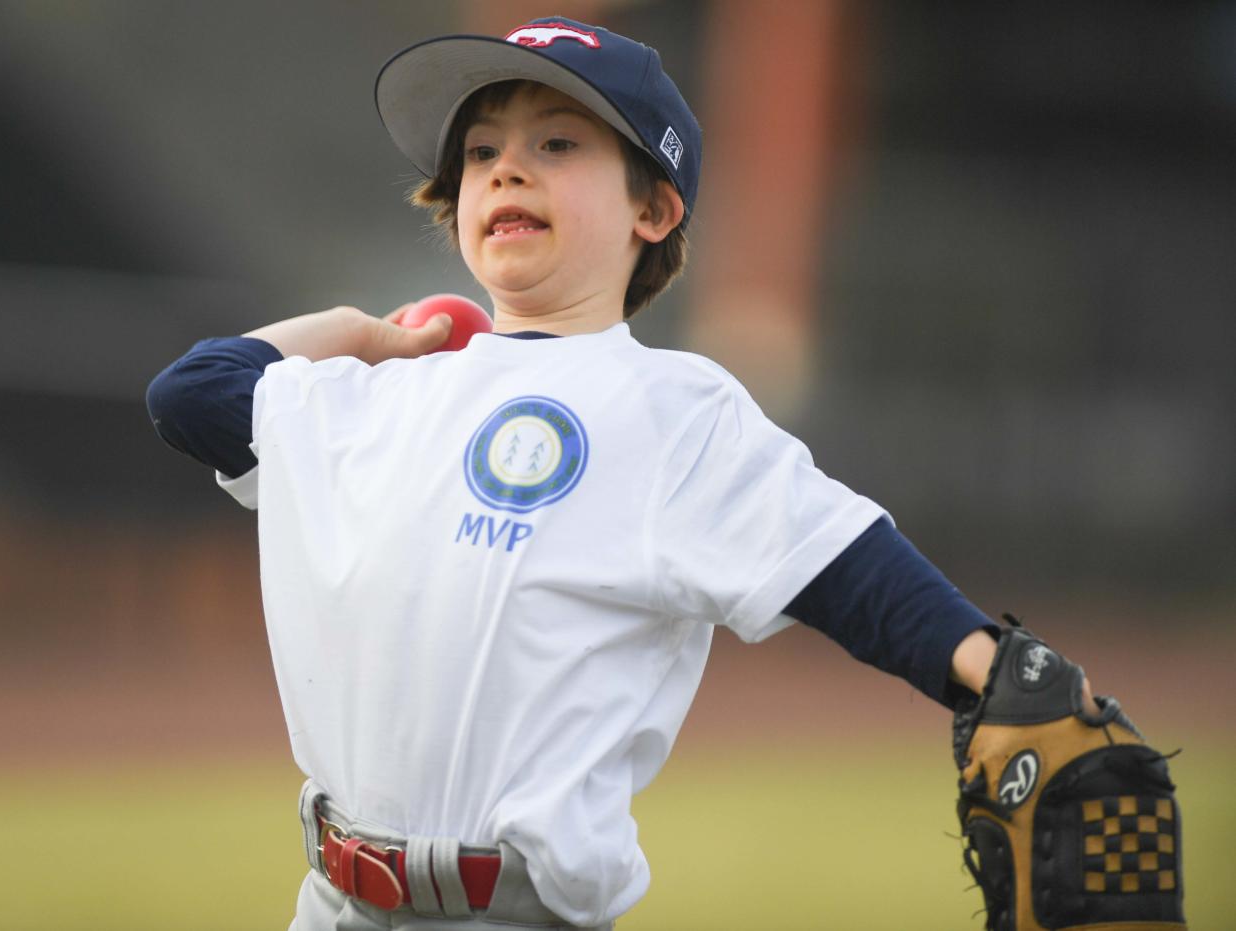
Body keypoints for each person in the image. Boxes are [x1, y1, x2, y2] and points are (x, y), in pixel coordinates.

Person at [146, 16, 1097, 931]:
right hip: (328, 903)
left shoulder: (668, 408)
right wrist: (366, 334)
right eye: (480, 153)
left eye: (558, 143)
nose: (506, 166)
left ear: (654, 207)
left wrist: (1006, 679)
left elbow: (848, 569)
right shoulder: (380, 398)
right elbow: (192, 393)